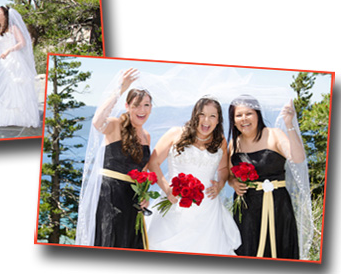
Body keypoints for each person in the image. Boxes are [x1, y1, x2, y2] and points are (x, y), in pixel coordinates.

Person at [146, 96, 241, 255]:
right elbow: (153, 163)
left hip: (208, 211)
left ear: (218, 120)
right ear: (194, 115)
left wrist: (220, 184)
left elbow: (224, 169)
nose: (206, 120)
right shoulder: (175, 134)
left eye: (212, 116)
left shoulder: (220, 141)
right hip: (174, 203)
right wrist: (167, 188)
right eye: (202, 114)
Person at [227, 94, 312, 259]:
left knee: (281, 247)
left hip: (277, 205)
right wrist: (233, 183)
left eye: (249, 113)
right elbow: (230, 175)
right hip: (246, 209)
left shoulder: (274, 134)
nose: (244, 118)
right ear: (233, 120)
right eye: (238, 115)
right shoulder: (233, 144)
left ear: (257, 114)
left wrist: (289, 124)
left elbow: (298, 158)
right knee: (247, 249)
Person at [76, 68, 153, 249]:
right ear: (127, 106)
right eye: (136, 105)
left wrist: (145, 195)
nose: (142, 110)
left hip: (132, 198)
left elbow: (143, 171)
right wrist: (120, 89)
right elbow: (97, 122)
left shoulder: (147, 136)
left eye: (147, 105)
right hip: (110, 195)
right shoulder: (115, 125)